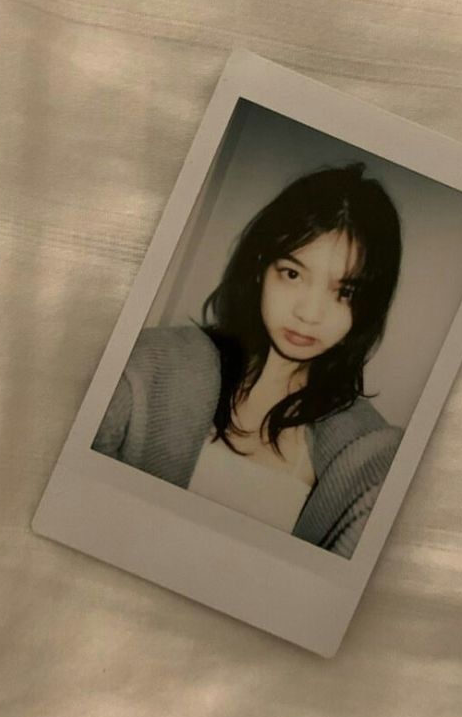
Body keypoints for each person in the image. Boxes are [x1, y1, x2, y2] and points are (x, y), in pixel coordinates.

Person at [93, 163, 404, 558]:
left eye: (344, 293)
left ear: (367, 307)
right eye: (292, 274)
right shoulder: (152, 366)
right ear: (261, 268)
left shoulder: (365, 453)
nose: (310, 314)